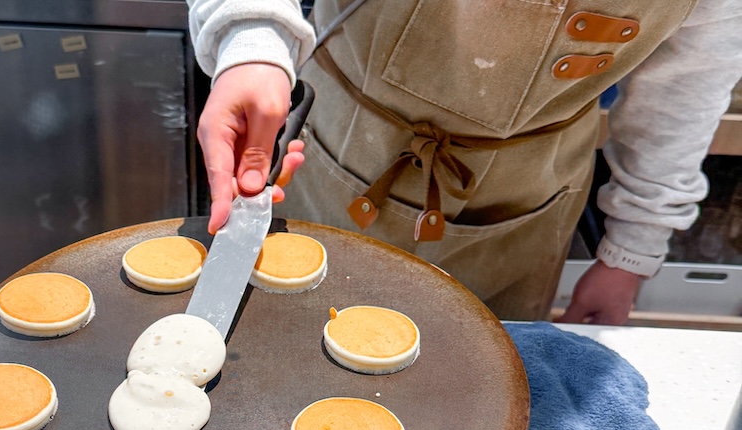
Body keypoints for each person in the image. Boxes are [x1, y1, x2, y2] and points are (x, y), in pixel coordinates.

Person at [188, 0, 742, 323]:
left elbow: (690, 79)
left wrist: (630, 253)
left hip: (528, 200)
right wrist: (251, 38)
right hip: (342, 154)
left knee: (474, 414)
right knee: (289, 345)